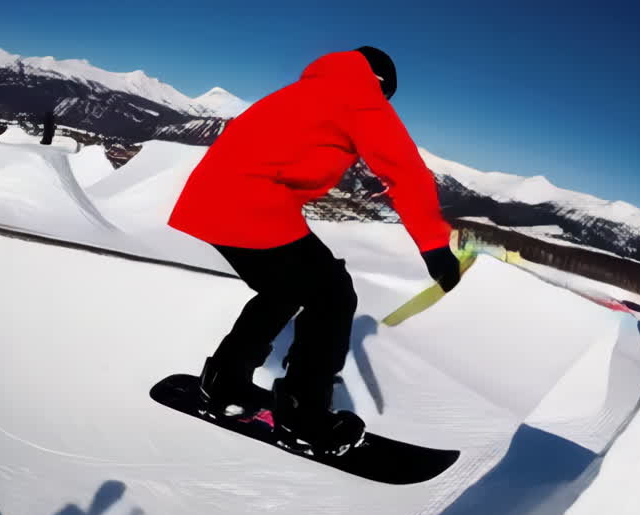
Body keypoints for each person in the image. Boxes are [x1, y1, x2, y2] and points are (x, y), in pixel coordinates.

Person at [168, 46, 460, 456]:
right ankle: (304, 419)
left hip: (208, 200)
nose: (385, 105)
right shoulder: (362, 97)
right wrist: (433, 245)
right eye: (387, 97)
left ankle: (223, 383)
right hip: (251, 204)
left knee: (284, 289)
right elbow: (405, 171)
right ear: (380, 85)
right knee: (332, 294)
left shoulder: (306, 90)